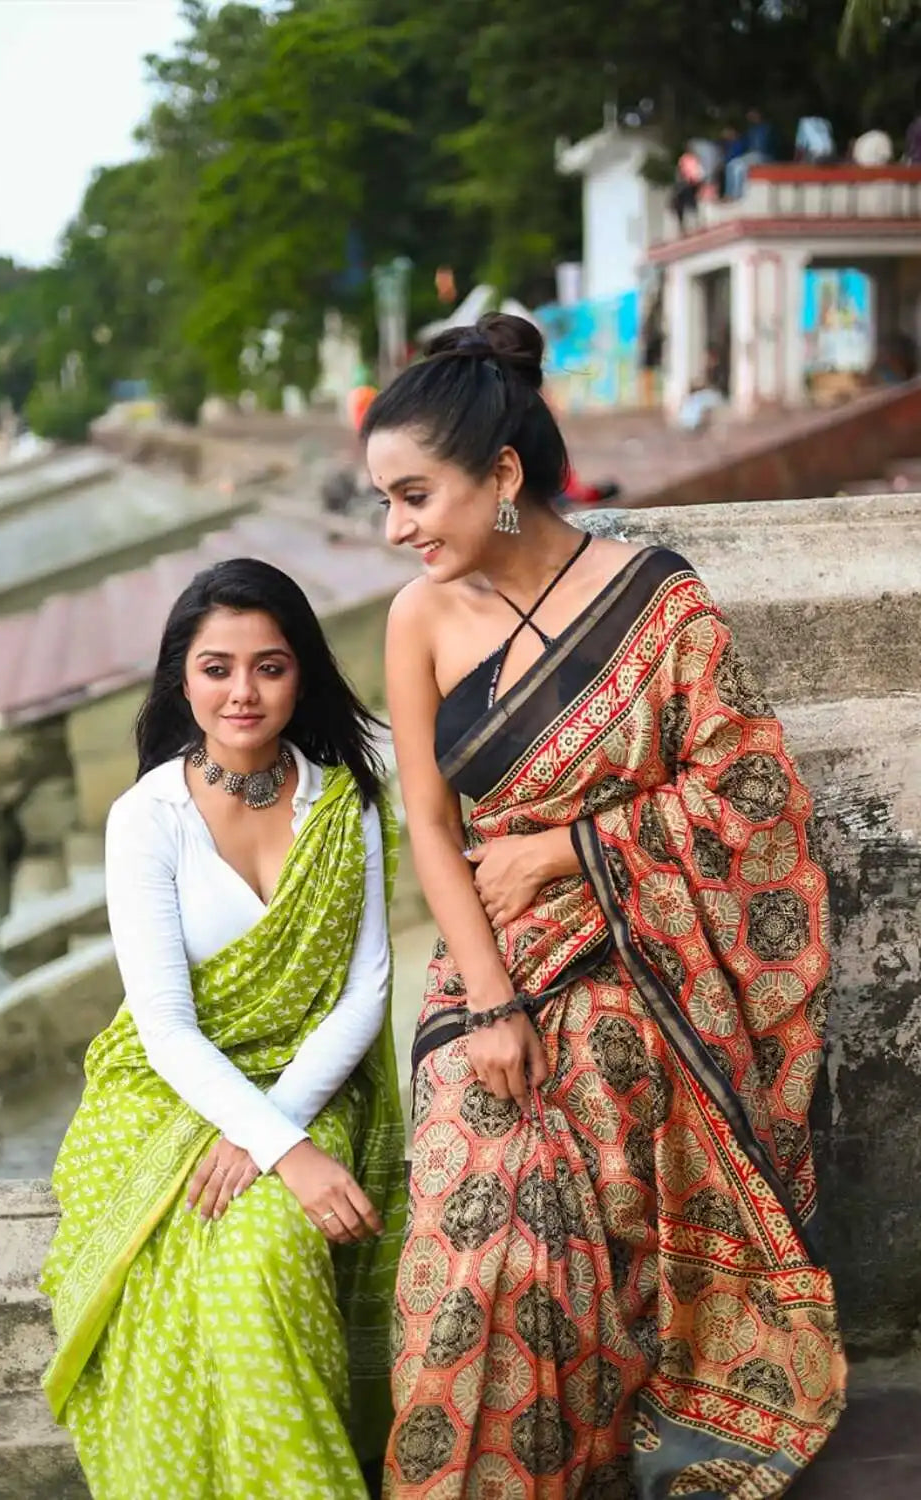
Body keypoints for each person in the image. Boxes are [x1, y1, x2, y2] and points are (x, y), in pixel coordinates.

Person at [363, 313, 845, 1498]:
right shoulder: (417, 621)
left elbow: (750, 801)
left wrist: (572, 846)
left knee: (564, 1218)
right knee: (473, 1252)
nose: (396, 530)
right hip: (487, 973)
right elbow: (429, 824)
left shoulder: (655, 603)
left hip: (648, 971)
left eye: (414, 495)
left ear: (505, 475)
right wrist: (489, 1003)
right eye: (384, 501)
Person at [40, 558, 406, 1499]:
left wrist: (277, 1137)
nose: (243, 692)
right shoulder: (146, 818)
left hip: (308, 1078)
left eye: (270, 667)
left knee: (263, 1263)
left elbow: (364, 995)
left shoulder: (346, 803)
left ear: (303, 675)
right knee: (187, 1285)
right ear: (182, 678)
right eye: (217, 668)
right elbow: (163, 1025)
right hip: (167, 1088)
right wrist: (282, 1148)